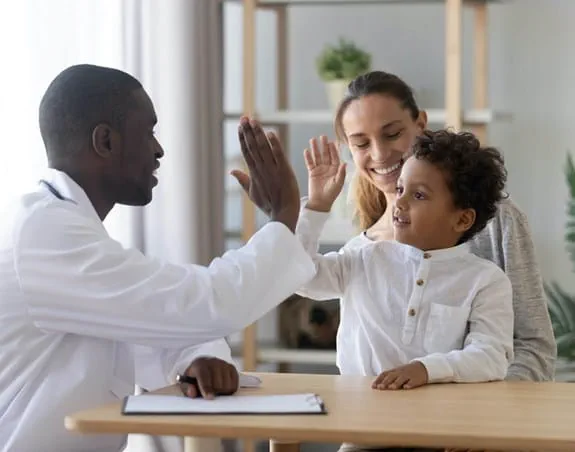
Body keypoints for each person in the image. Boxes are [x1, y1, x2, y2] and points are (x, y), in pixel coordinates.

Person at [0, 64, 316, 452]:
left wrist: (194, 356)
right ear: (105, 141)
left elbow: (147, 320)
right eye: (148, 131)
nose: (159, 149)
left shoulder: (60, 226)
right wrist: (284, 215)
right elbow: (207, 301)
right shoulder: (45, 235)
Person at [321, 70, 555, 383]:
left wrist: (477, 414)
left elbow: (532, 346)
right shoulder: (363, 251)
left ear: (420, 124)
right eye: (361, 143)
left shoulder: (498, 221)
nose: (379, 153)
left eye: (392, 134)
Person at [296, 129, 514, 452]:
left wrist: (427, 370)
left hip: (443, 435)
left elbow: (491, 357)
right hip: (363, 431)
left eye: (419, 195)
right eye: (400, 189)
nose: (399, 202)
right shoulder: (364, 256)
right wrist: (315, 208)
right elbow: (302, 277)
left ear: (462, 219)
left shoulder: (486, 281)